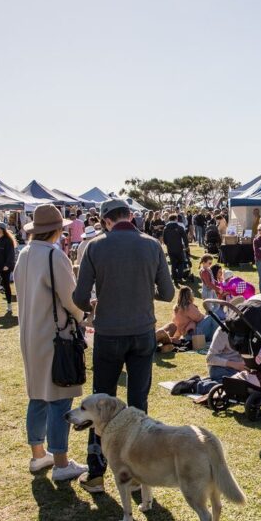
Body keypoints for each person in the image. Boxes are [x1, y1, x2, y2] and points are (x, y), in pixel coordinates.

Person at [72, 198, 175, 492]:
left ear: (105, 220)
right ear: (130, 216)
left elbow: (80, 297)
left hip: (108, 332)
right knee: (138, 405)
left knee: (99, 405)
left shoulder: (95, 247)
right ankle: (138, 474)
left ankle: (95, 474)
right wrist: (141, 289)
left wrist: (97, 302)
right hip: (143, 332)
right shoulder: (152, 245)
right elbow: (167, 293)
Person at [12, 204, 88, 482]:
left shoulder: (25, 254)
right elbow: (71, 298)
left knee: (38, 396)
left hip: (31, 332)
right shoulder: (54, 256)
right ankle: (61, 461)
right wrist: (83, 316)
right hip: (55, 335)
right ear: (57, 230)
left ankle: (37, 454)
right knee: (59, 398)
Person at [162, 214, 190, 286]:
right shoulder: (179, 227)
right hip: (179, 248)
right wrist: (186, 246)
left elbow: (164, 239)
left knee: (173, 264)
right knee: (181, 262)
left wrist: (168, 244)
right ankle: (179, 278)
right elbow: (185, 238)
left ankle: (175, 279)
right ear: (176, 219)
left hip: (170, 248)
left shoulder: (166, 228)